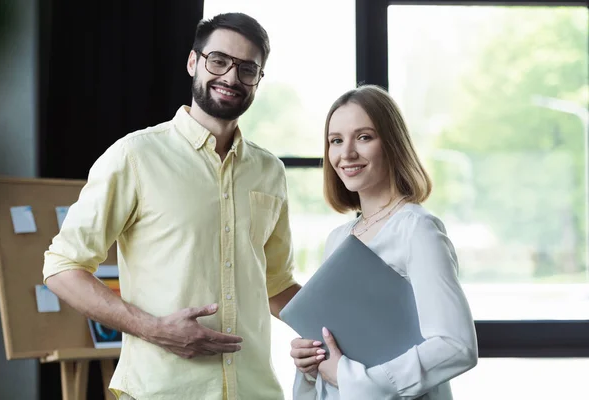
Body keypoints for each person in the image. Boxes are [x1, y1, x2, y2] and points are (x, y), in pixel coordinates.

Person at [43, 12, 301, 400]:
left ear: (258, 80)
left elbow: (276, 285)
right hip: (161, 391)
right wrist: (154, 328)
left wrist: (347, 327)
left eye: (248, 69)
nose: (231, 77)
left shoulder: (270, 171)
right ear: (193, 61)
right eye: (219, 61)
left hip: (255, 390)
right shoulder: (135, 156)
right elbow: (62, 267)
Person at [290, 85, 478, 399]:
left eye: (364, 137)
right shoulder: (338, 239)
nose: (346, 153)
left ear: (391, 144)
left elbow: (456, 345)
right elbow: (339, 348)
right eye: (336, 140)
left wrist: (353, 378)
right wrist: (312, 362)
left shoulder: (417, 229)